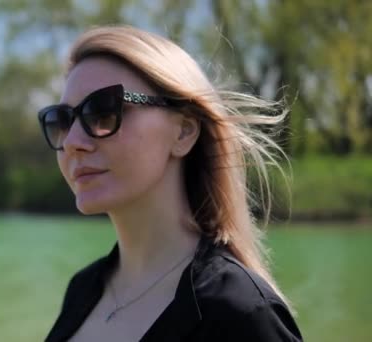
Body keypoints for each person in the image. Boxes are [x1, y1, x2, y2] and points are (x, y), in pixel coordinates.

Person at [38, 25, 303, 342]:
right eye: (62, 120)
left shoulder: (240, 313)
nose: (72, 142)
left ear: (184, 132)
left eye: (102, 110)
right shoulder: (82, 289)